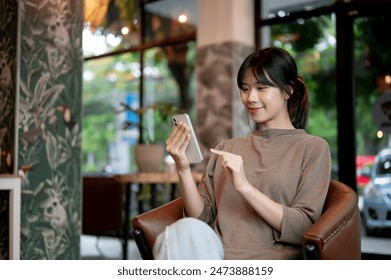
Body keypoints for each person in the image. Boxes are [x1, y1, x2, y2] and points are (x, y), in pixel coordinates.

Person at [155, 46, 332, 260]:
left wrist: (244, 187)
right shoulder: (226, 148)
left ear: (288, 91)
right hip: (215, 258)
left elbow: (303, 228)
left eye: (261, 88)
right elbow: (200, 220)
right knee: (176, 235)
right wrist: (182, 168)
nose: (250, 98)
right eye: (245, 88)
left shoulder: (312, 148)